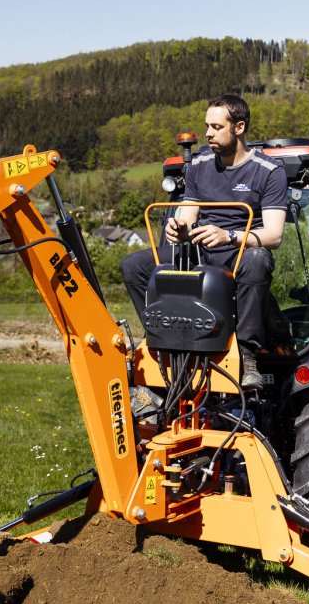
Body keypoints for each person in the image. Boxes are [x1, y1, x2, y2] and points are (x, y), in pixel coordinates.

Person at [120, 94, 287, 390]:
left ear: (238, 127)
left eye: (215, 126)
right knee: (134, 267)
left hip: (237, 253)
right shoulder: (199, 164)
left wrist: (230, 236)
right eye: (206, 126)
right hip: (199, 252)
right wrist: (179, 227)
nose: (208, 133)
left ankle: (247, 355)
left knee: (258, 259)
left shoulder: (269, 172)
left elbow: (274, 235)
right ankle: (160, 337)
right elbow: (187, 215)